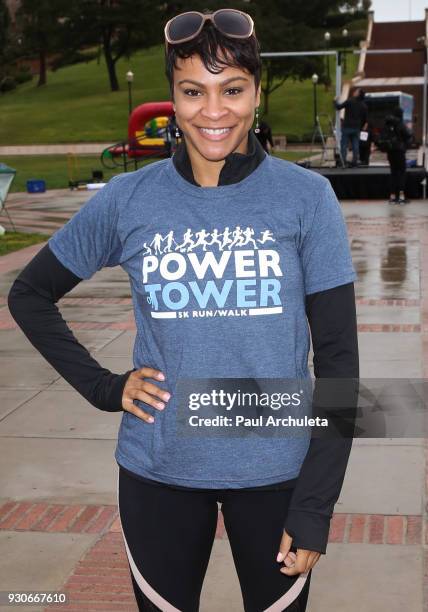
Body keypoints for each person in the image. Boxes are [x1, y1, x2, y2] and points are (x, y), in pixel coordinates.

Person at [8, 7, 359, 611]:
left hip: (276, 474)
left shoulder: (306, 198)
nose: (214, 111)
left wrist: (314, 506)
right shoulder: (129, 199)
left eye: (233, 90)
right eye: (193, 91)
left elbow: (338, 362)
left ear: (256, 92)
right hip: (159, 471)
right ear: (172, 95)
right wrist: (103, 386)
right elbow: (29, 295)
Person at [377, 107, 412, 205]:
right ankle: (401, 196)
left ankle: (392, 196)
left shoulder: (387, 123)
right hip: (399, 151)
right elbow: (408, 135)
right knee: (401, 173)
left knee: (393, 173)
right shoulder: (400, 123)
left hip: (390, 152)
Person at [334, 87, 368, 167]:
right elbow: (365, 119)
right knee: (355, 144)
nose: (354, 92)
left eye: (356, 91)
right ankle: (355, 161)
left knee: (344, 144)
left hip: (347, 126)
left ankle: (343, 161)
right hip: (356, 127)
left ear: (358, 93)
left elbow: (339, 107)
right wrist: (361, 126)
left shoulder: (350, 101)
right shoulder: (363, 105)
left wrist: (335, 101)